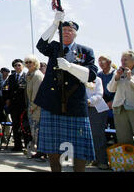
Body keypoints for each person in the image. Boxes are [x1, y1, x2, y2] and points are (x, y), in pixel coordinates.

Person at [34, 11, 97, 172]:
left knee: (79, 146)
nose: (66, 32)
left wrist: (70, 67)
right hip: (52, 102)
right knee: (52, 146)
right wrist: (55, 24)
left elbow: (90, 75)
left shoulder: (85, 51)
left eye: (70, 30)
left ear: (75, 33)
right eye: (63, 30)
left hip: (75, 103)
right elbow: (41, 45)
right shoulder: (55, 47)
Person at [107, 50, 134, 167]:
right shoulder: (117, 73)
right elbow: (110, 89)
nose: (123, 62)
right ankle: (129, 165)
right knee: (123, 138)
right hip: (119, 109)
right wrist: (116, 77)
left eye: (126, 59)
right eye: (122, 59)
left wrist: (131, 78)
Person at [4, 59, 30, 152]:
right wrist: (7, 99)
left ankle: (27, 145)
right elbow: (7, 89)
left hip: (23, 105)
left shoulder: (27, 76)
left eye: (19, 65)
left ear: (22, 66)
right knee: (15, 125)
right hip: (14, 105)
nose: (17, 67)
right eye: (15, 66)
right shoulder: (11, 77)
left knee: (25, 126)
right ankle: (17, 145)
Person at [24, 54, 45, 161]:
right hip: (32, 106)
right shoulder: (29, 75)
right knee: (34, 130)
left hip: (37, 107)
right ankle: (39, 150)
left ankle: (42, 151)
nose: (28, 64)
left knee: (37, 130)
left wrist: (32, 107)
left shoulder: (37, 75)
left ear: (35, 63)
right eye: (26, 62)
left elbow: (37, 93)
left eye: (30, 62)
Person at [85, 77, 109, 170]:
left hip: (97, 109)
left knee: (97, 134)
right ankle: (91, 159)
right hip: (83, 108)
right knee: (86, 136)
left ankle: (102, 161)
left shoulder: (97, 79)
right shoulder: (78, 77)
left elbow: (99, 95)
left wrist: (88, 101)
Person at [97, 55, 117, 144]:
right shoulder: (99, 75)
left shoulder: (116, 74)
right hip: (103, 105)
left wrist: (113, 102)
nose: (100, 63)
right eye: (99, 61)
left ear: (109, 62)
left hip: (115, 104)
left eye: (103, 61)